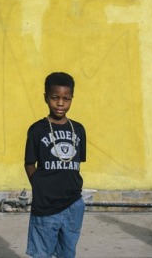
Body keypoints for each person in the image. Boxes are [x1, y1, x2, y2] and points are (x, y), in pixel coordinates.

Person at [24, 72, 87, 258]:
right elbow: (29, 163)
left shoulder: (79, 130)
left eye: (66, 99)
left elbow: (76, 164)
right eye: (55, 98)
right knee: (42, 254)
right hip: (46, 206)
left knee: (67, 254)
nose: (60, 103)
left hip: (73, 205)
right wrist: (40, 185)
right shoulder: (37, 129)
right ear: (46, 98)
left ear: (71, 99)